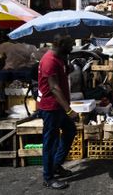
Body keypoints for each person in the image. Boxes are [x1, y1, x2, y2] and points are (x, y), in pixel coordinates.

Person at [37, 34, 78, 190]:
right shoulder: (49, 61)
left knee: (70, 131)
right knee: (51, 142)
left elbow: (61, 76)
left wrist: (67, 67)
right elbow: (54, 88)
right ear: (61, 44)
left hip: (59, 107)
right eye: (70, 44)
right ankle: (48, 177)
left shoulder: (59, 58)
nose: (72, 46)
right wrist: (69, 110)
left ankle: (56, 165)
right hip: (51, 108)